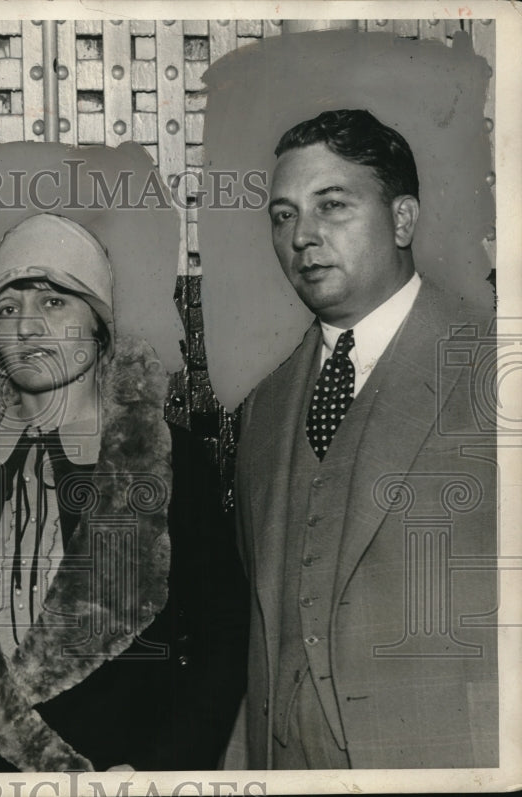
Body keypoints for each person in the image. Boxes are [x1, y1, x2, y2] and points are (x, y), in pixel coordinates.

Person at [0, 213, 248, 771]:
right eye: (8, 308)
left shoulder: (169, 460)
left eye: (53, 303)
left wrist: (159, 771)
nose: (27, 326)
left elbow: (223, 637)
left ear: (98, 327)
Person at [231, 109, 498, 768]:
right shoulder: (263, 409)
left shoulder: (495, 366)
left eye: (332, 206)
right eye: (284, 215)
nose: (304, 236)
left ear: (403, 219)